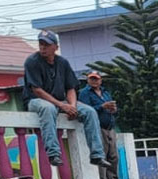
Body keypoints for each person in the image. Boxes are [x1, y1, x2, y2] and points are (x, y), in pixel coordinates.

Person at [24, 30, 106, 170]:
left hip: (61, 100)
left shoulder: (62, 62)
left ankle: (97, 154)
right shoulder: (32, 61)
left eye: (46, 44)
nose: (43, 47)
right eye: (41, 44)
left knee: (90, 112)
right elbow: (36, 90)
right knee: (48, 108)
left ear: (55, 47)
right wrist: (62, 106)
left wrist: (72, 106)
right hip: (36, 100)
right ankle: (53, 153)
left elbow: (71, 88)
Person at [78, 70, 119, 179]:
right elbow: (86, 111)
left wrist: (113, 110)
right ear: (88, 80)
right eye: (92, 79)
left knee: (113, 155)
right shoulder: (85, 93)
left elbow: (112, 109)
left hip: (110, 126)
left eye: (96, 79)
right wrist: (102, 106)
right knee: (102, 154)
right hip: (97, 127)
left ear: (100, 80)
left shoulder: (105, 93)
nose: (94, 81)